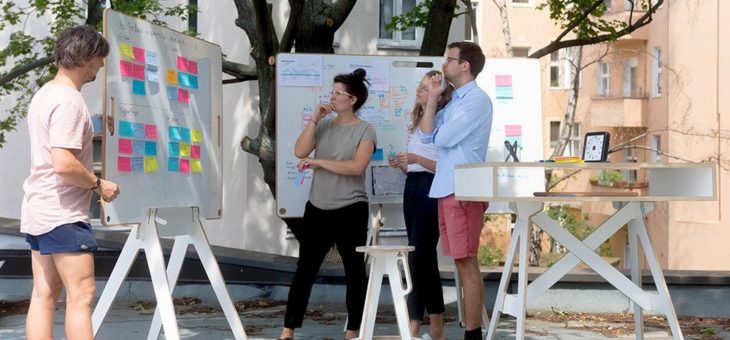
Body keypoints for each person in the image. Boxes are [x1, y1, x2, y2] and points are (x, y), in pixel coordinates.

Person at [20, 25, 120, 340]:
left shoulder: (46, 94)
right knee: (83, 293)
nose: (102, 66)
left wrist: (94, 124)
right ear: (86, 58)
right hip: (63, 213)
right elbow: (63, 164)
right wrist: (98, 183)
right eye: (100, 59)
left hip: (39, 207)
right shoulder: (70, 102)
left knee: (44, 293)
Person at [279, 68, 376, 340]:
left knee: (354, 271)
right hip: (317, 207)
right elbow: (299, 151)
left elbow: (357, 168)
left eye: (337, 93)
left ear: (352, 99)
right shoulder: (323, 125)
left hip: (351, 209)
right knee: (305, 271)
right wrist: (313, 120)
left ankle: (353, 331)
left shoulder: (366, 131)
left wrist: (319, 162)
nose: (332, 97)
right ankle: (288, 329)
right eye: (331, 92)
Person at [419, 41, 493, 340]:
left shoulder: (476, 100)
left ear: (465, 65)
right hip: (448, 187)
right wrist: (434, 98)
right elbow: (426, 132)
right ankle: (472, 330)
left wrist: (438, 128)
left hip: (464, 188)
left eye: (449, 59)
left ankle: (473, 333)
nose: (443, 64)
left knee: (466, 260)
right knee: (460, 260)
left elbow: (443, 137)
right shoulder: (454, 100)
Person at [388, 70, 454, 340]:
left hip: (430, 188)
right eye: (421, 86)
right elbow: (414, 167)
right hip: (413, 188)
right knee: (424, 259)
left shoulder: (441, 123)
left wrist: (416, 158)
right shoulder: (415, 123)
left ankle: (415, 325)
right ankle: (436, 326)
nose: (419, 91)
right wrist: (405, 165)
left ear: (439, 97)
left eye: (427, 88)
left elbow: (444, 167)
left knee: (417, 257)